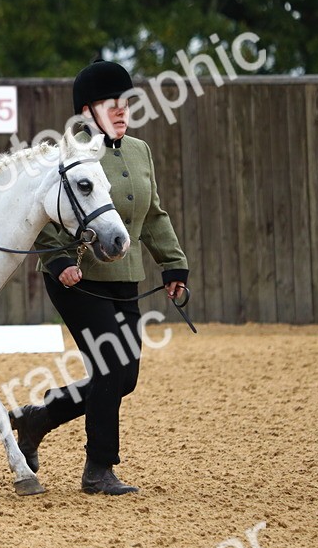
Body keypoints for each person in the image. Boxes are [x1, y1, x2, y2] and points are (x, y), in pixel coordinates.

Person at [10, 59, 188, 495]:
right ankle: (98, 469)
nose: (122, 110)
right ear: (87, 111)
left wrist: (173, 264)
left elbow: (153, 215)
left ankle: (39, 418)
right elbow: (42, 215)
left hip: (125, 275)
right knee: (111, 367)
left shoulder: (139, 152)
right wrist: (58, 261)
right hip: (77, 277)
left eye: (125, 102)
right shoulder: (68, 153)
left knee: (126, 377)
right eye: (111, 103)